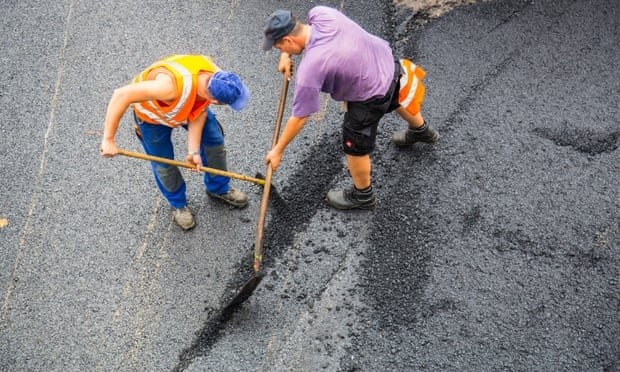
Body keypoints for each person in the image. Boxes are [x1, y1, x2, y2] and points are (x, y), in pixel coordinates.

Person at [262, 7, 439, 210]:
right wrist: (286, 55)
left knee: (354, 145)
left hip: (370, 94)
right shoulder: (321, 14)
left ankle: (362, 195)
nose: (280, 51)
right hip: (385, 63)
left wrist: (278, 151)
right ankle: (421, 130)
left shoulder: (310, 71)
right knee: (396, 96)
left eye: (279, 47)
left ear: (288, 40)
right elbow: (309, 43)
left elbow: (301, 117)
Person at [100, 54, 251, 230]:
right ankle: (178, 204)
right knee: (163, 164)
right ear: (215, 101)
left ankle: (218, 188)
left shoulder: (217, 78)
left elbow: (200, 112)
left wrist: (193, 151)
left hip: (186, 105)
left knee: (214, 142)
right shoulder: (169, 87)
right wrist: (108, 139)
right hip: (152, 117)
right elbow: (121, 94)